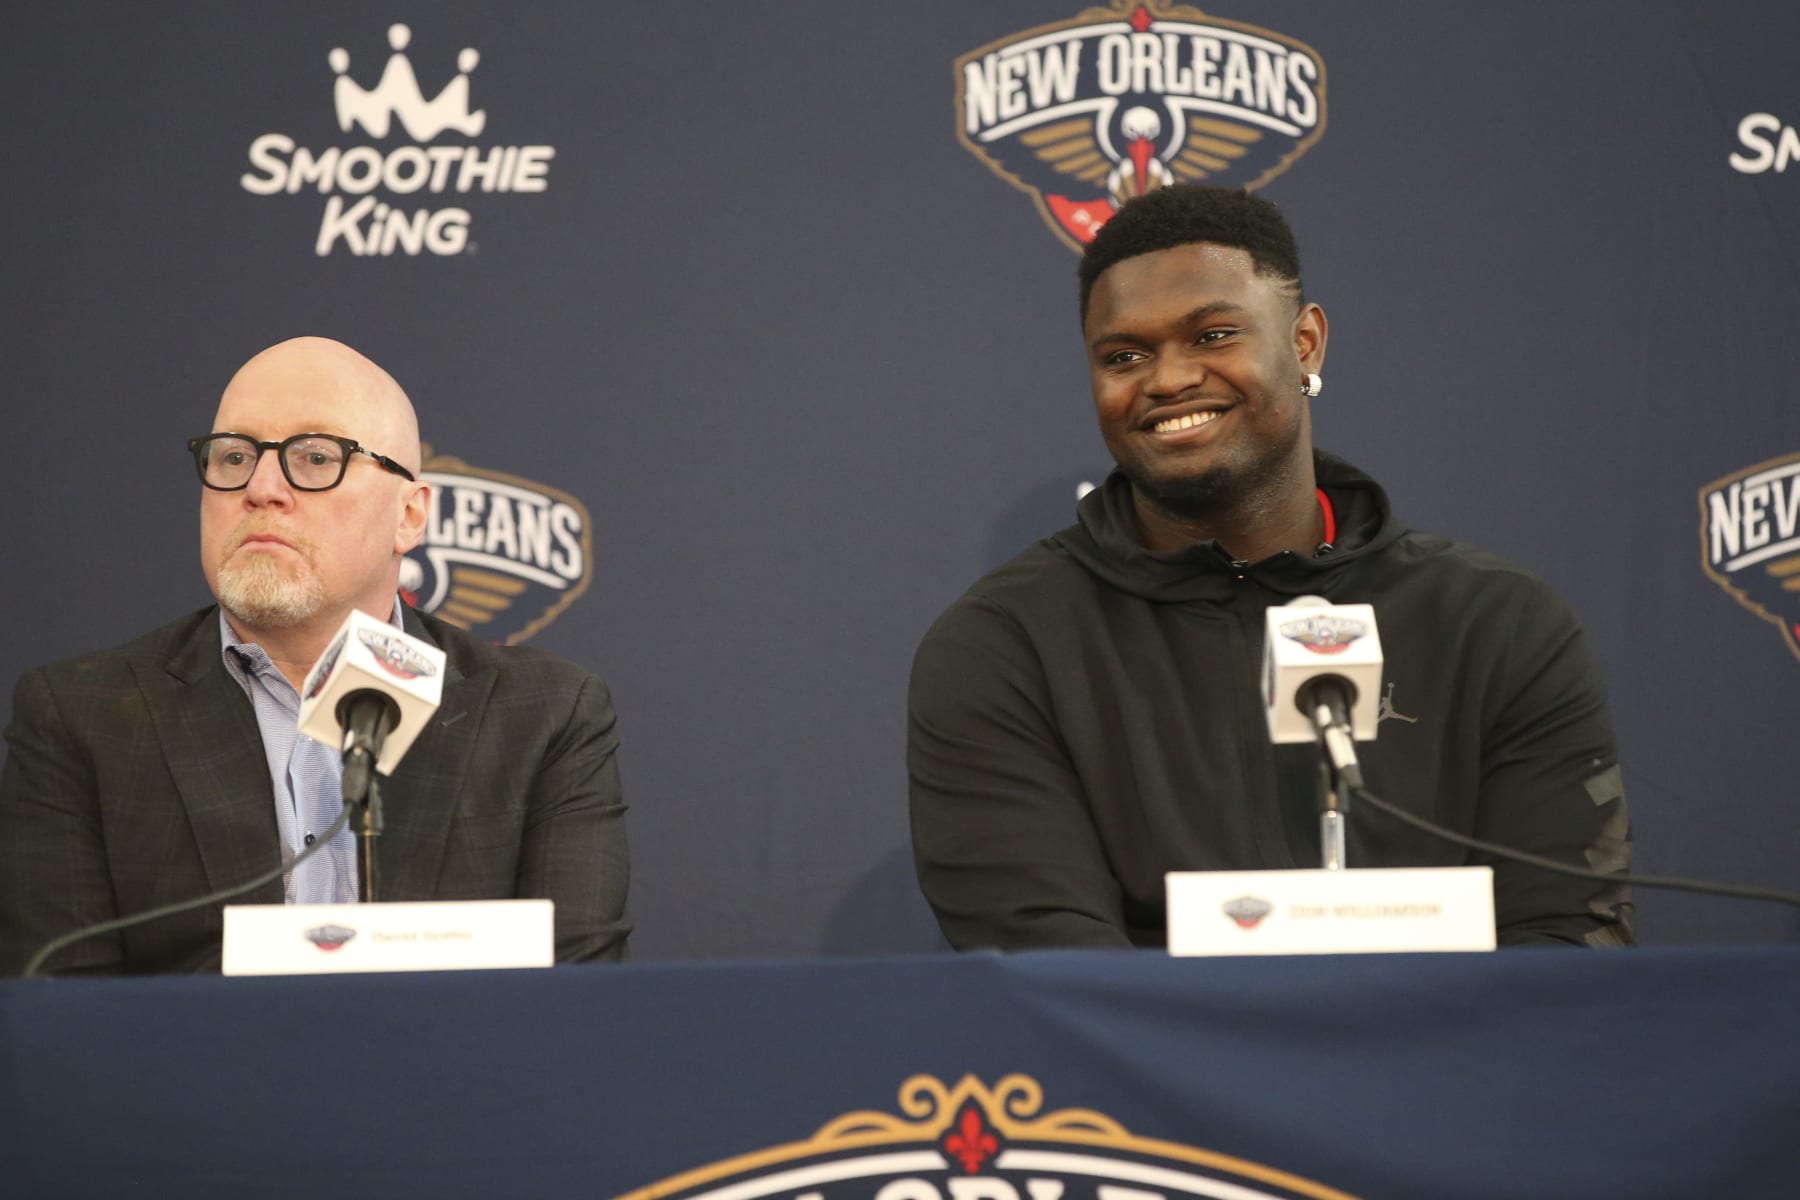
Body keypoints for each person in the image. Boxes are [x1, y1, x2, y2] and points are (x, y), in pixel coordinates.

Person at [908, 185, 1632, 950]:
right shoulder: (1004, 648)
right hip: (1144, 1071)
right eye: (1124, 356)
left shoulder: (1498, 625)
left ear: (1305, 343)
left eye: (1214, 335)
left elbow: (1566, 945)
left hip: (1450, 1064)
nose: (1167, 379)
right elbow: (1051, 975)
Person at [0, 337, 630, 974]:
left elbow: (578, 1005)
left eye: (316, 456)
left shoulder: (543, 716)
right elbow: (61, 1017)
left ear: (409, 516)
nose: (262, 487)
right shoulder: (84, 717)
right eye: (235, 456)